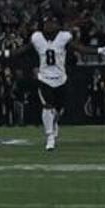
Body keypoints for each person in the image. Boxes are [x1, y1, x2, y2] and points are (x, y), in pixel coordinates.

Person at [30, 25, 74, 153]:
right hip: (45, 79)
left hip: (61, 79)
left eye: (52, 21)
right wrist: (5, 53)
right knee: (47, 107)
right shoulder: (37, 38)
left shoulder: (63, 37)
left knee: (57, 111)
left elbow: (79, 47)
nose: (49, 25)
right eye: (46, 22)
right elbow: (25, 49)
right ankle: (49, 137)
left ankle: (54, 124)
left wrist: (98, 50)